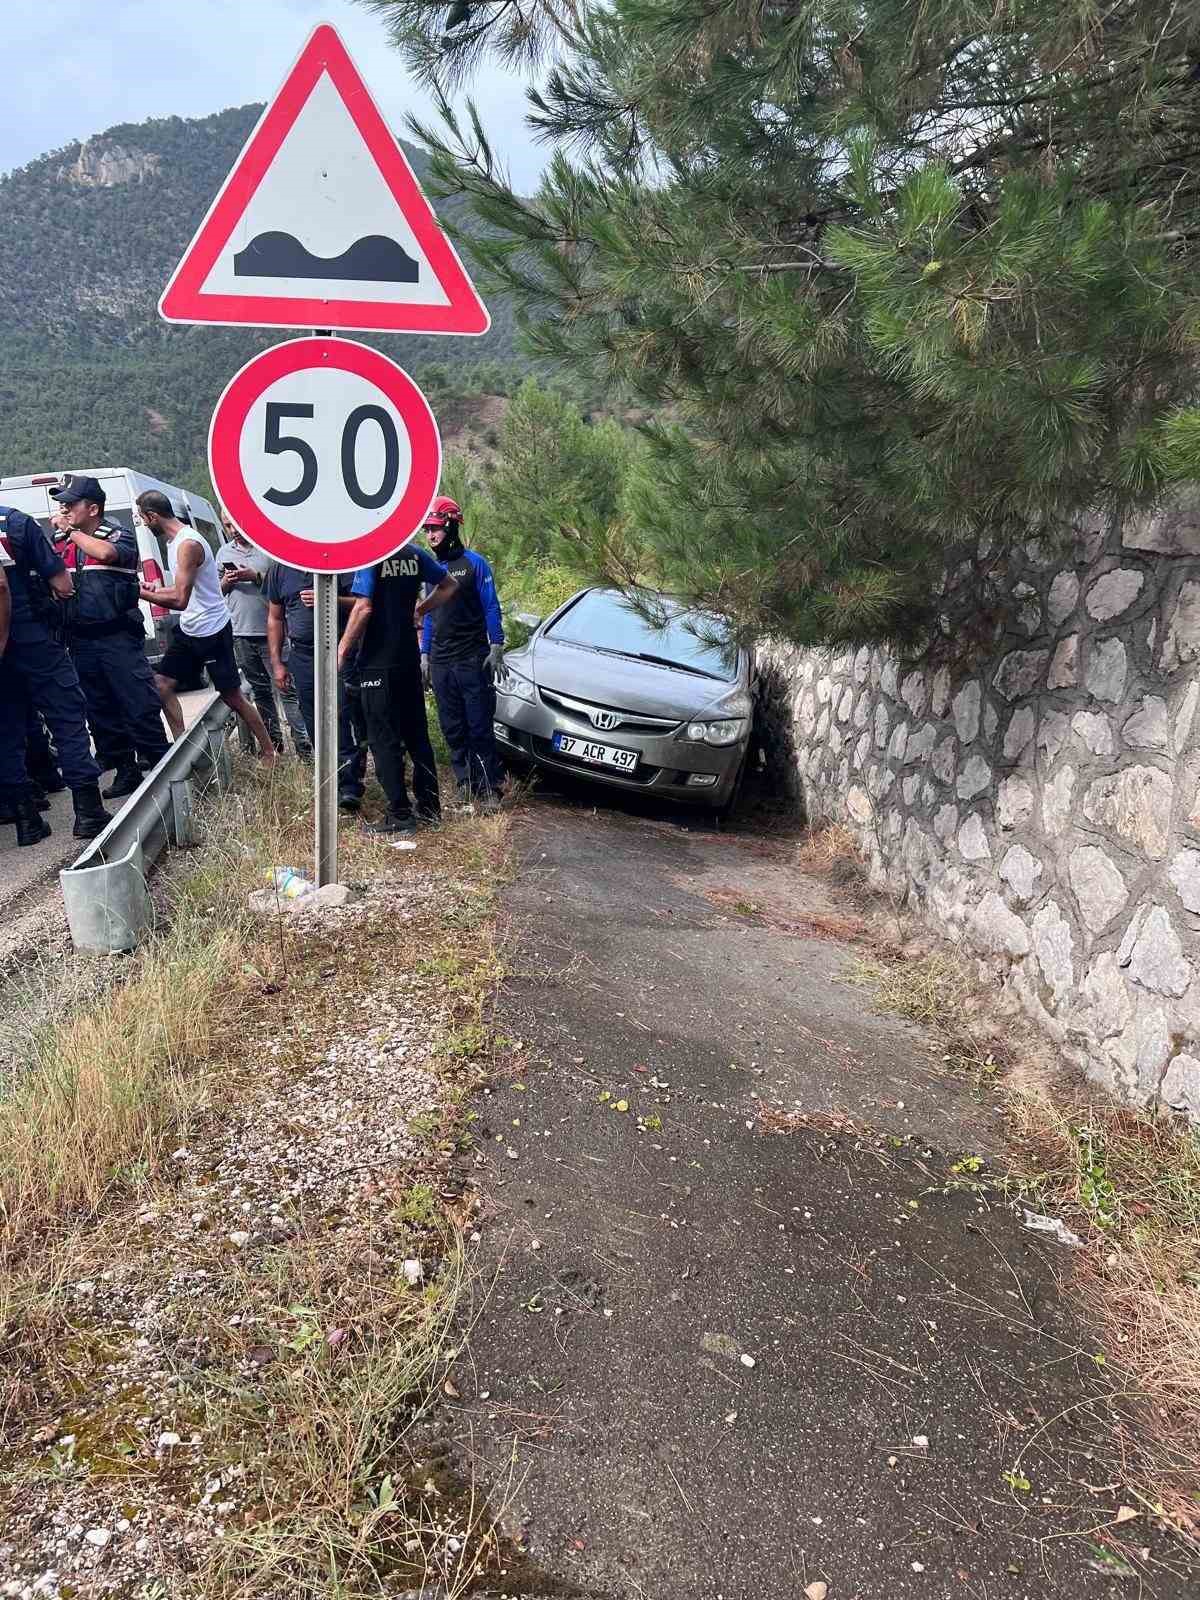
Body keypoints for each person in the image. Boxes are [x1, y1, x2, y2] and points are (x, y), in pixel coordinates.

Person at [49, 475, 170, 800]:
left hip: (117, 638)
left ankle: (165, 773)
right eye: (62, 504)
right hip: (80, 640)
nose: (64, 508)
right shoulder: (60, 541)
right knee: (99, 712)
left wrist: (71, 532)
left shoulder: (117, 534)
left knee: (139, 706)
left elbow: (105, 553)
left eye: (70, 503)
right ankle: (126, 771)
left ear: (92, 508)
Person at [134, 491, 276, 765]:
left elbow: (180, 599)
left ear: (153, 516)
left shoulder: (189, 544)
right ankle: (183, 751)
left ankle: (269, 751)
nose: (143, 524)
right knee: (161, 685)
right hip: (190, 628)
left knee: (232, 697)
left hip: (213, 630)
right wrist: (154, 589)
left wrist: (139, 593)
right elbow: (182, 588)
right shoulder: (173, 542)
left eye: (142, 518)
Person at [0, 503, 111, 846]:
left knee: (7, 729)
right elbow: (63, 584)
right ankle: (88, 811)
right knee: (66, 717)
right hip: (34, 637)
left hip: (3, 651)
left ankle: (27, 820)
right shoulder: (16, 522)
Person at [339, 543, 459, 834]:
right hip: (407, 659)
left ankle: (400, 815)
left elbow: (363, 607)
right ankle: (430, 808)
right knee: (417, 736)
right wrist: (421, 609)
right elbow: (449, 584)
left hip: (377, 662)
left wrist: (341, 651)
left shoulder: (371, 554)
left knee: (383, 739)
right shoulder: (414, 553)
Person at [419, 496, 506, 805]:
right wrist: (425, 654)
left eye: (436, 529)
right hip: (441, 661)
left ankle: (490, 788)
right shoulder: (431, 569)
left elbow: (491, 605)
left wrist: (496, 644)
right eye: (427, 530)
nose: (431, 535)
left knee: (479, 725)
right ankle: (464, 784)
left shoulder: (474, 563)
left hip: (471, 657)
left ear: (452, 527)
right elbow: (429, 614)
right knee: (452, 727)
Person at [265, 563, 366, 811]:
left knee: (341, 715)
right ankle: (329, 780)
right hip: (302, 655)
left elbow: (361, 603)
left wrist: (328, 599)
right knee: (313, 719)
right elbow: (275, 617)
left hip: (338, 650)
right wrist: (277, 663)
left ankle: (349, 785)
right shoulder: (279, 569)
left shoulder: (336, 562)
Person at [215, 510, 310, 757]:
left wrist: (254, 576)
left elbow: (284, 583)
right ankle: (275, 747)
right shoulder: (223, 553)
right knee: (260, 693)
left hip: (272, 634)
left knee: (287, 691)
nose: (233, 530)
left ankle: (304, 748)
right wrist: (228, 581)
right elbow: (217, 591)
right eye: (227, 525)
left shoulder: (269, 550)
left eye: (235, 524)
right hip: (241, 633)